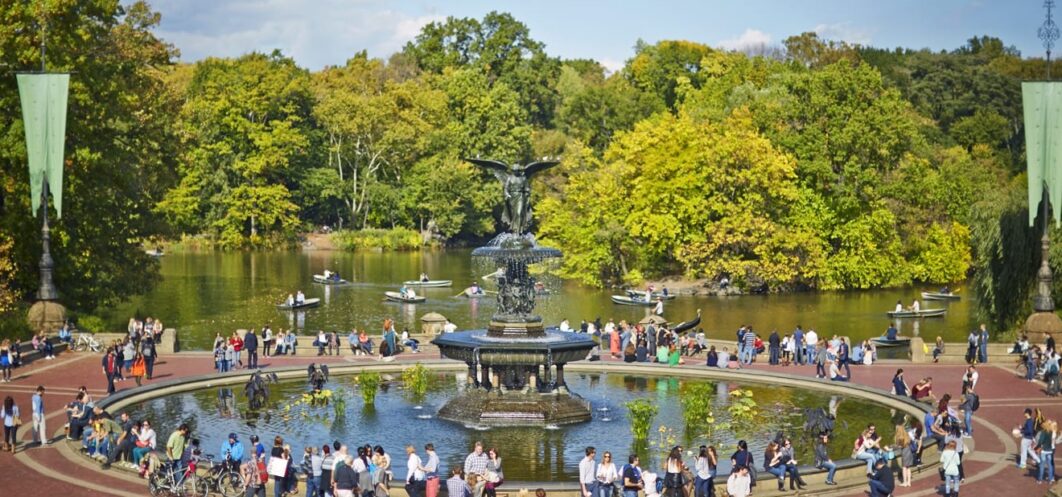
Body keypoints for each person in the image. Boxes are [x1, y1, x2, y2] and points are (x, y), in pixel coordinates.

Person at [1036, 419, 1057, 483]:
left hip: (1044, 450)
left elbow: (1041, 441)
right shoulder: (1051, 432)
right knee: (1050, 465)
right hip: (1050, 450)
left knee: (1042, 465)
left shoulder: (1043, 432)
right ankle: (1050, 479)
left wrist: (1037, 447)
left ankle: (1040, 480)